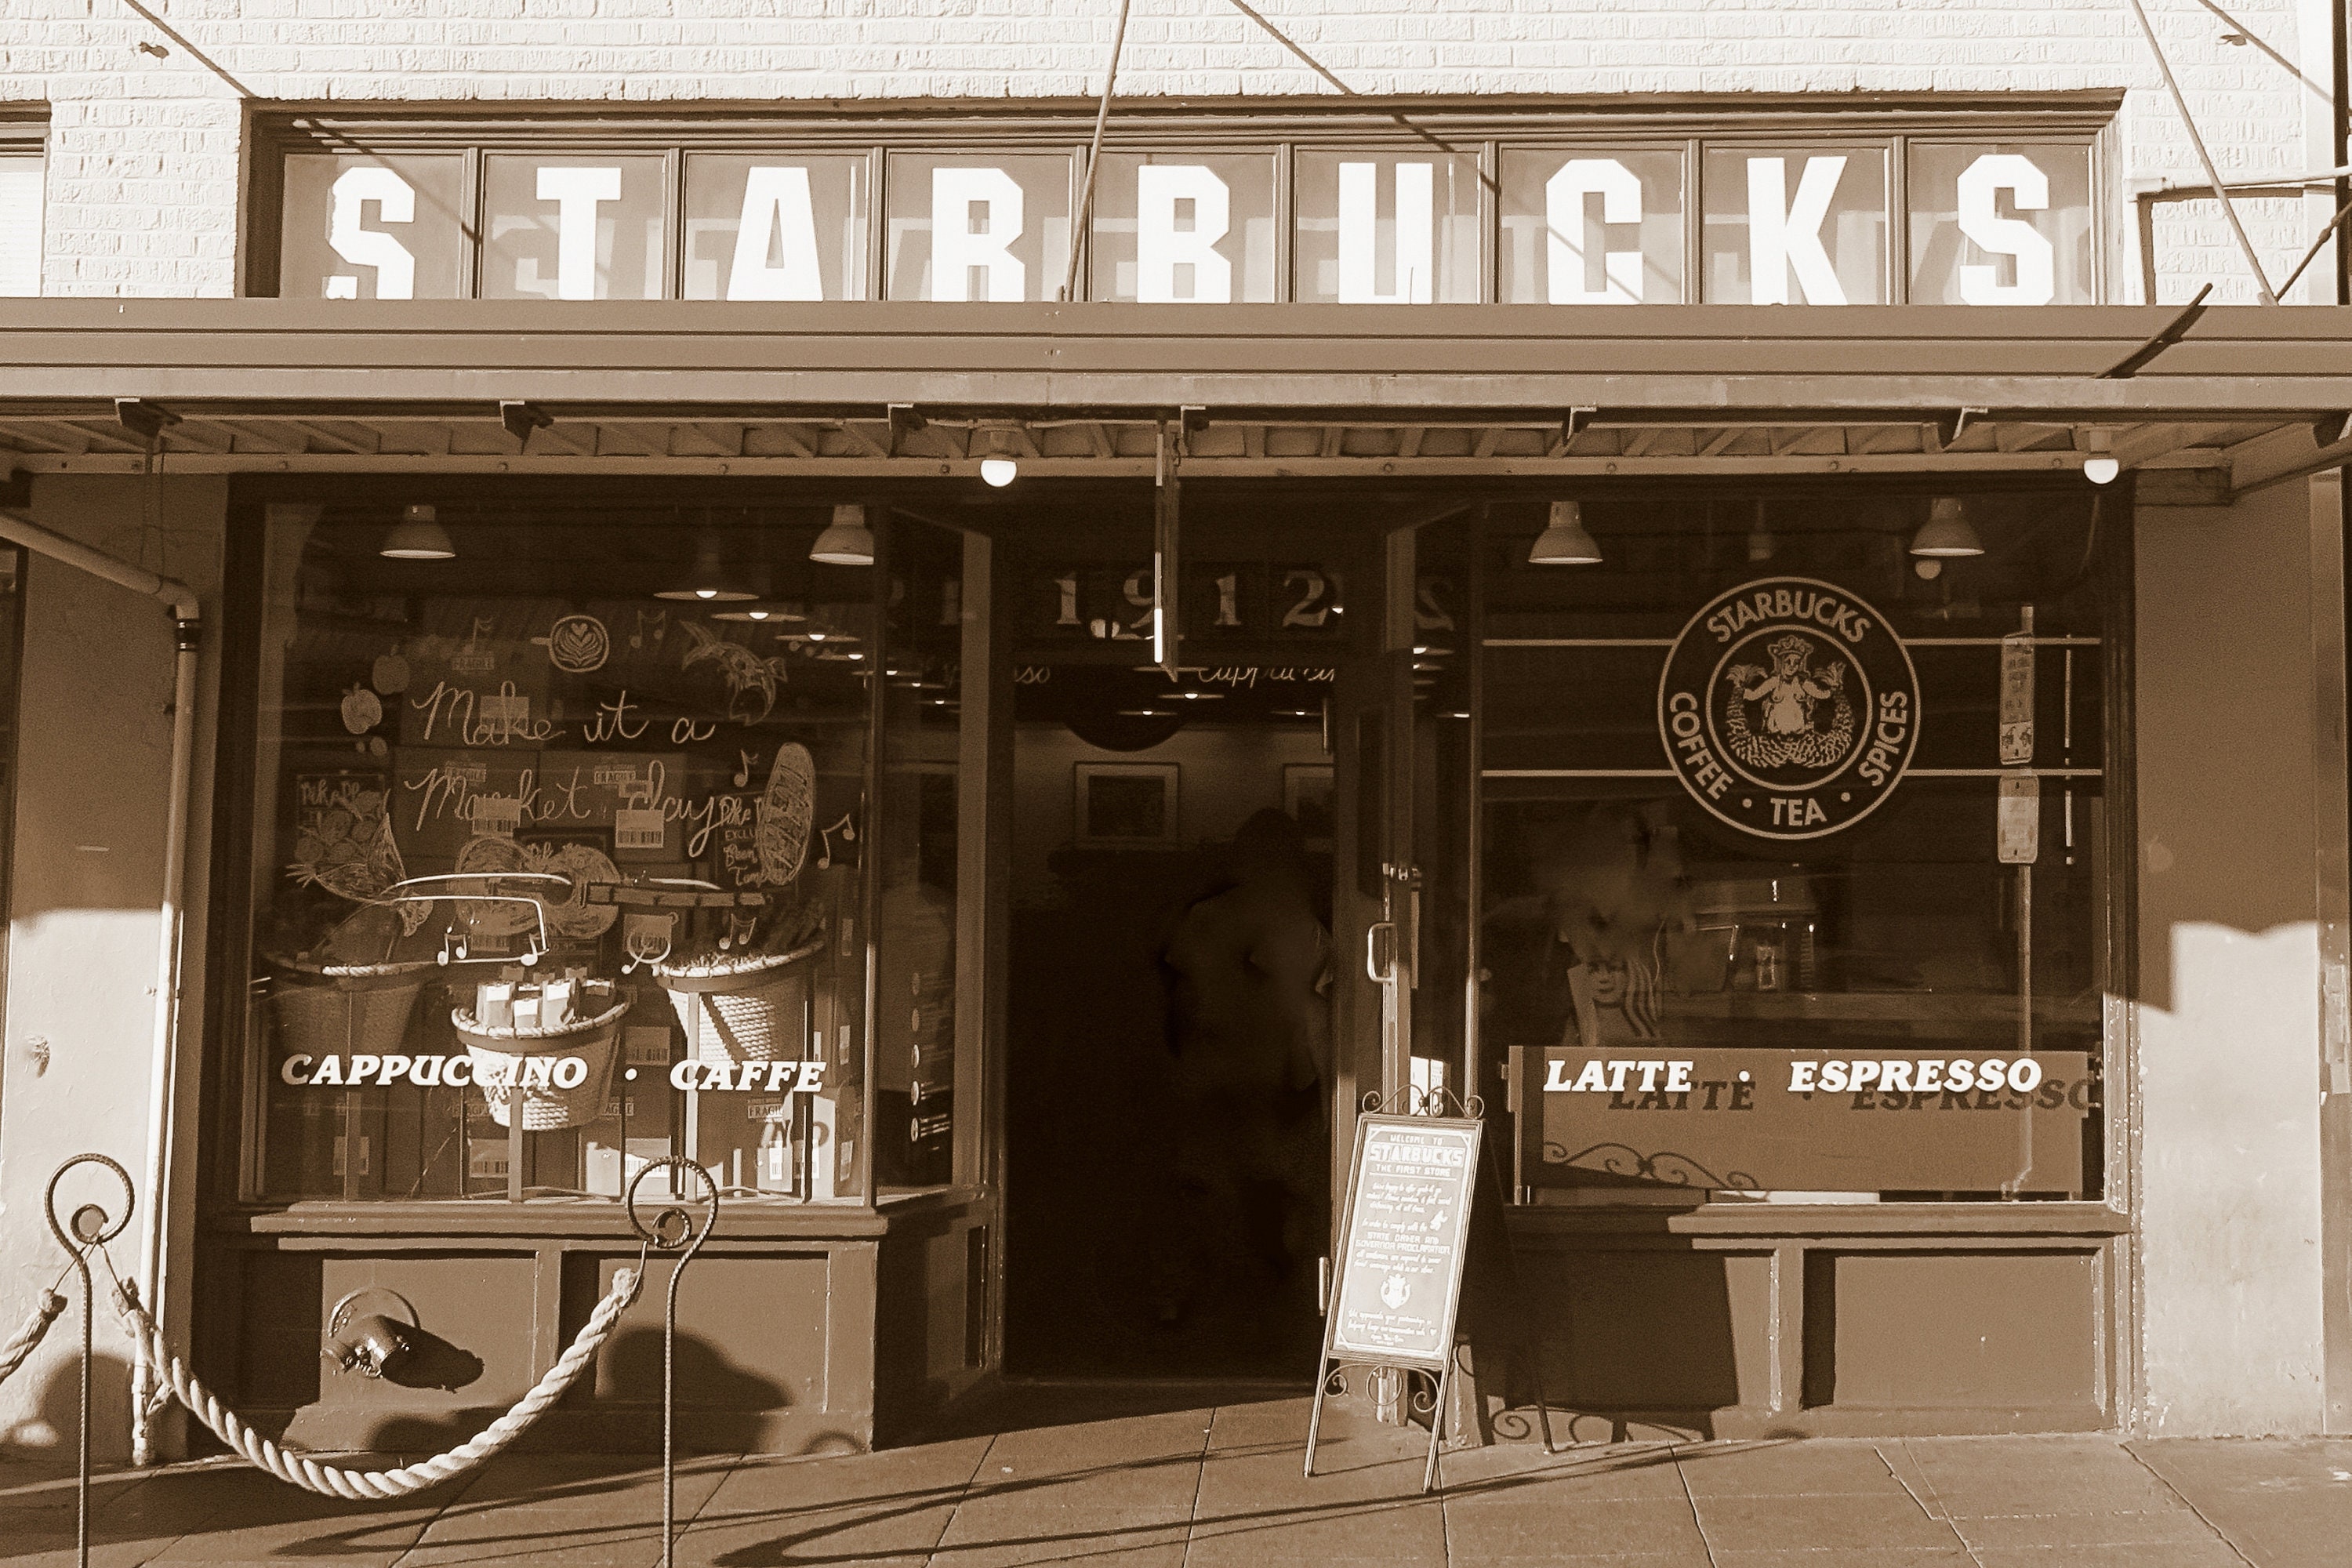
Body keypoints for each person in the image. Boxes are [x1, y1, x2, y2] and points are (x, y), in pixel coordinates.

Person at [1155, 809, 1332, 1324]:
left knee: (1206, 1192)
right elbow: (1314, 1011)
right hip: (1272, 1076)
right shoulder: (1305, 927)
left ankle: (1195, 1302)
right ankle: (1277, 1308)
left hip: (1213, 1071)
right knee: (1274, 1194)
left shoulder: (1205, 918)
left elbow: (1177, 1002)